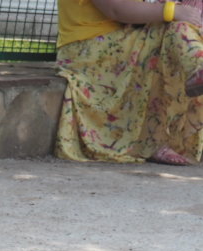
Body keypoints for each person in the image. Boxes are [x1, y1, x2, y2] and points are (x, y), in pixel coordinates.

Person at [55, 0, 203, 165]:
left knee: (181, 29)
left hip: (122, 39)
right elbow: (116, 10)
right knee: (177, 28)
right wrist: (172, 10)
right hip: (88, 49)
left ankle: (155, 139)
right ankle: (152, 141)